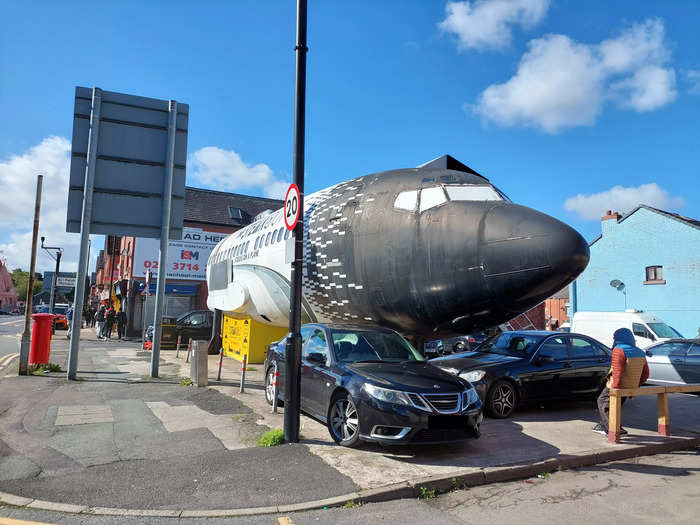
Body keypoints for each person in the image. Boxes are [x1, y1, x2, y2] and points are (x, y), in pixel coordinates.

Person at [593, 328, 649, 437]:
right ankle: (606, 426)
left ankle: (613, 430)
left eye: (615, 337)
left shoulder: (619, 350)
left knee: (602, 401)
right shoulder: (640, 352)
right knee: (615, 407)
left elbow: (617, 371)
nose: (613, 339)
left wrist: (615, 388)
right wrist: (636, 385)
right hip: (630, 387)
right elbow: (646, 374)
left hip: (618, 385)